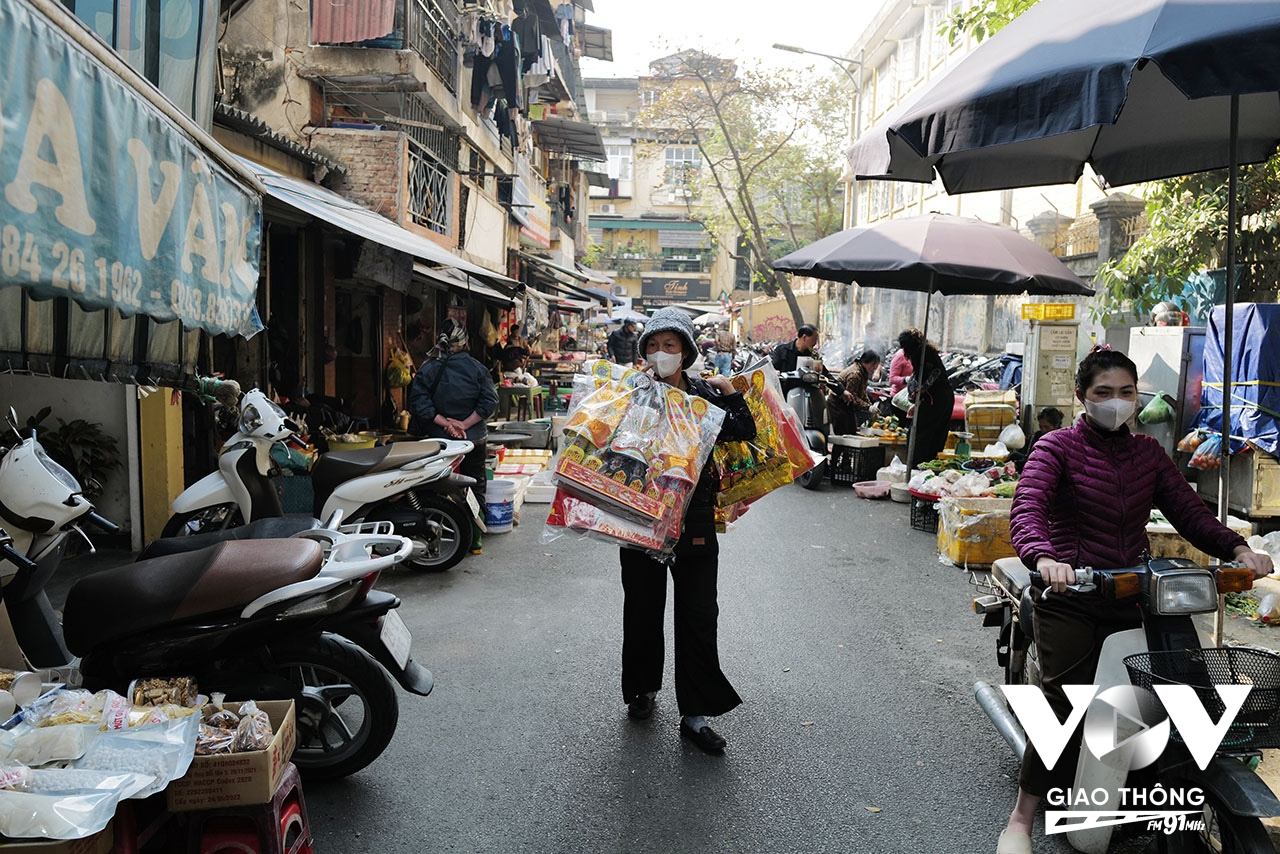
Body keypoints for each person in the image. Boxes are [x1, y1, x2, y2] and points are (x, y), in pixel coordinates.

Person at [997, 346, 1273, 854]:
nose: (1116, 402)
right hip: (1069, 592)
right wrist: (1044, 559)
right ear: (1082, 397)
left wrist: (1238, 546)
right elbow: (1028, 509)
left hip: (1134, 588)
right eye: (1104, 393)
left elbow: (1189, 512)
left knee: (1176, 686)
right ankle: (1020, 817)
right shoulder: (1055, 448)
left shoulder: (1148, 454)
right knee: (1067, 703)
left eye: (1126, 392)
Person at [620, 307, 757, 755]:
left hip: (693, 518)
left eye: (670, 345)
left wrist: (731, 392)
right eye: (654, 346)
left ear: (686, 352)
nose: (661, 354)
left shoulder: (703, 396)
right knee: (642, 605)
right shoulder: (630, 394)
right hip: (639, 513)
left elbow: (743, 429)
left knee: (699, 615)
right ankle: (642, 689)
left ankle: (695, 716)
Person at [406, 318, 498, 555]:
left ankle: (441, 534)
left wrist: (446, 424)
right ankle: (475, 540)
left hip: (440, 441)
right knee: (475, 485)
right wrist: (464, 425)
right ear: (465, 341)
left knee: (435, 487)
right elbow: (490, 401)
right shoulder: (477, 368)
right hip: (473, 438)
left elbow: (418, 403)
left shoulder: (427, 368)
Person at [898, 328, 952, 468]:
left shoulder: (919, 354)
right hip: (942, 398)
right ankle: (927, 465)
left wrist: (919, 391)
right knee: (934, 434)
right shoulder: (925, 351)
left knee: (920, 435)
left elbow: (932, 375)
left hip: (937, 400)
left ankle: (919, 466)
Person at [827, 350, 881, 436]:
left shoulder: (863, 372)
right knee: (843, 435)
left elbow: (862, 392)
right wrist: (868, 407)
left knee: (851, 431)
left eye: (876, 365)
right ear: (865, 362)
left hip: (847, 404)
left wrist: (870, 406)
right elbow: (852, 397)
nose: (874, 368)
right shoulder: (855, 374)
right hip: (838, 404)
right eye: (873, 364)